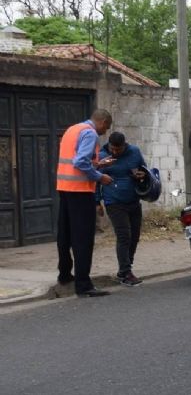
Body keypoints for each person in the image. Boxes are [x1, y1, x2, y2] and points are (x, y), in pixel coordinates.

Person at [56, 109, 115, 298]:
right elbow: (80, 162)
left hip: (65, 188)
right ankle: (83, 285)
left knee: (64, 235)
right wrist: (100, 176)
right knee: (83, 239)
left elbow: (77, 160)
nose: (106, 131)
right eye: (107, 126)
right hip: (80, 191)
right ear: (102, 121)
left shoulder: (72, 129)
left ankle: (65, 275)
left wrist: (98, 164)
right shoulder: (90, 134)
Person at [96, 132, 147, 287]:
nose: (115, 152)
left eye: (118, 149)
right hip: (114, 202)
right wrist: (97, 202)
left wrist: (141, 174)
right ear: (109, 146)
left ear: (125, 145)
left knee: (135, 236)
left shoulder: (135, 152)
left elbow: (144, 169)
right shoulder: (102, 156)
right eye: (113, 149)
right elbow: (95, 179)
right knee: (124, 235)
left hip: (133, 200)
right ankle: (125, 272)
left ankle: (125, 269)